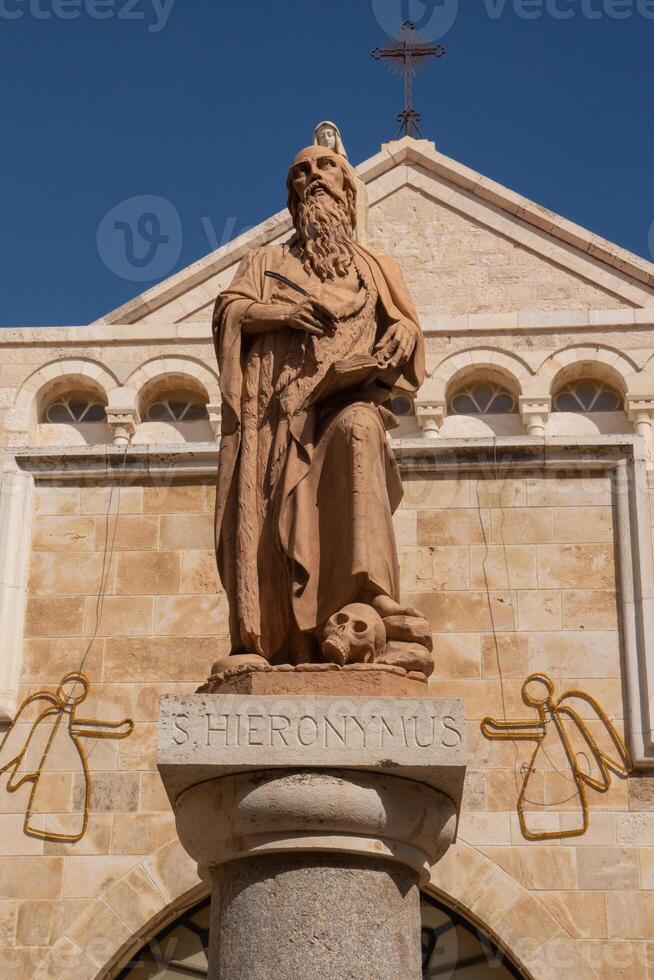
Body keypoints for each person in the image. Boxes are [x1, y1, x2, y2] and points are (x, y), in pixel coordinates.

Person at [212, 144, 427, 671]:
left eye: (325, 168)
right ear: (293, 196)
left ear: (348, 190)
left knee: (359, 429)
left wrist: (402, 333)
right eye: (301, 173)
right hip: (278, 421)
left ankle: (366, 599)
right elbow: (229, 312)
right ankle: (275, 636)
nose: (314, 178)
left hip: (341, 405)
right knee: (269, 516)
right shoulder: (267, 261)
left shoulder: (377, 268)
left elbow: (408, 330)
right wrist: (281, 313)